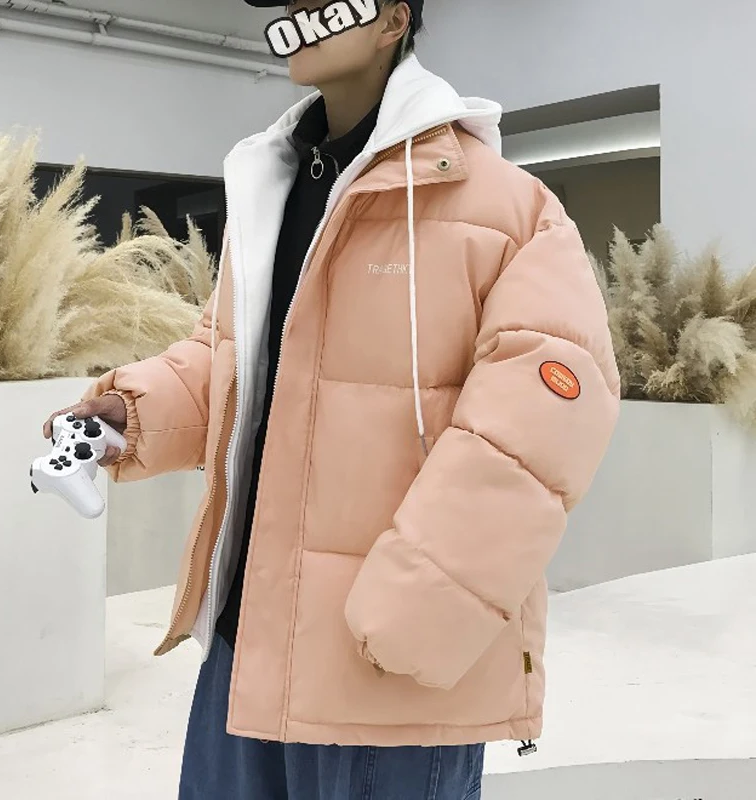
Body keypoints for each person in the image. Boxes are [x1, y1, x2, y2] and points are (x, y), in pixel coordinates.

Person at [44, 0, 620, 797]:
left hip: (384, 670)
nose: (299, 14)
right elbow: (231, 357)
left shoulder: (511, 210)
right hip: (250, 642)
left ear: (392, 20)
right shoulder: (275, 189)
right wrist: (131, 410)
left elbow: (542, 423)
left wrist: (420, 609)